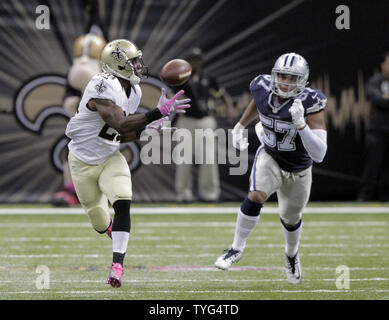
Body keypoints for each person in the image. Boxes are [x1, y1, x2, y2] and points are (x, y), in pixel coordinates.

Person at [65, 39, 190, 288]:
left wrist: (149, 130)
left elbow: (121, 135)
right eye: (133, 61)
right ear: (119, 64)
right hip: (81, 161)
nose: (139, 65)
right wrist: (156, 114)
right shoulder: (101, 84)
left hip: (110, 156)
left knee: (123, 200)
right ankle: (111, 230)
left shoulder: (134, 90)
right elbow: (119, 123)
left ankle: (117, 265)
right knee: (100, 222)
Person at [214, 53, 328, 284]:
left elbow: (319, 154)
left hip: (299, 168)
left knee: (290, 218)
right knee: (256, 195)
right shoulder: (261, 86)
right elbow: (258, 103)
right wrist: (239, 125)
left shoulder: (311, 102)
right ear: (274, 76)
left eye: (293, 78)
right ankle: (236, 248)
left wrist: (301, 124)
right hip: (271, 155)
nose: (286, 83)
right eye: (282, 77)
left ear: (303, 81)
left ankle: (291, 254)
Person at [173, 48, 235, 202]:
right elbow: (174, 97)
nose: (195, 63)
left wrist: (229, 108)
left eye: (197, 60)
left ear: (201, 61)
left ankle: (209, 193)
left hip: (205, 120)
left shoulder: (209, 78)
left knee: (208, 158)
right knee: (184, 158)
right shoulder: (181, 79)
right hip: (186, 120)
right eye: (192, 60)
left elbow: (222, 95)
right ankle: (183, 194)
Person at [51, 33, 106, 207]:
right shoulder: (73, 77)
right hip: (81, 125)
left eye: (90, 56)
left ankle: (107, 190)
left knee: (106, 155)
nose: (83, 61)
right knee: (70, 154)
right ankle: (71, 190)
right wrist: (73, 103)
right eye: (80, 56)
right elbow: (68, 99)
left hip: (104, 125)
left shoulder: (109, 78)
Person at [357, 52, 389, 202]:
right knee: (373, 165)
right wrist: (383, 99)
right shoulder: (374, 81)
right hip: (376, 131)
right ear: (383, 65)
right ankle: (365, 195)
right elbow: (378, 100)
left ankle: (385, 196)